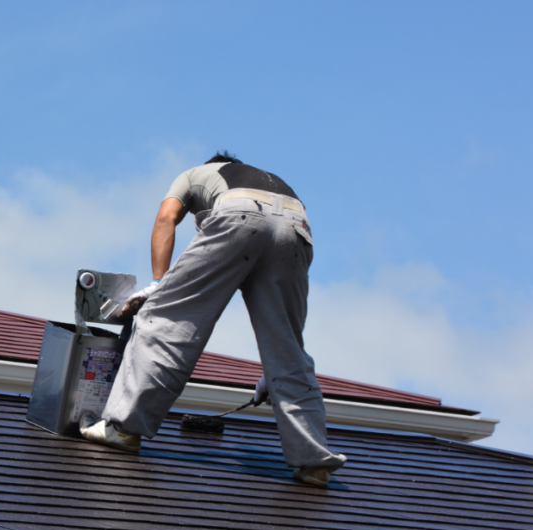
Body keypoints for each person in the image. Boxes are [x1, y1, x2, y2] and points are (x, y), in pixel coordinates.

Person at [80, 152, 347, 486]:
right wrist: (274, 371)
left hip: (239, 216)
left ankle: (122, 429)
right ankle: (314, 462)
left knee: (164, 317)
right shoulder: (267, 179)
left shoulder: (195, 174)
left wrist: (158, 285)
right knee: (288, 348)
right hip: (297, 227)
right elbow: (285, 313)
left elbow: (166, 218)